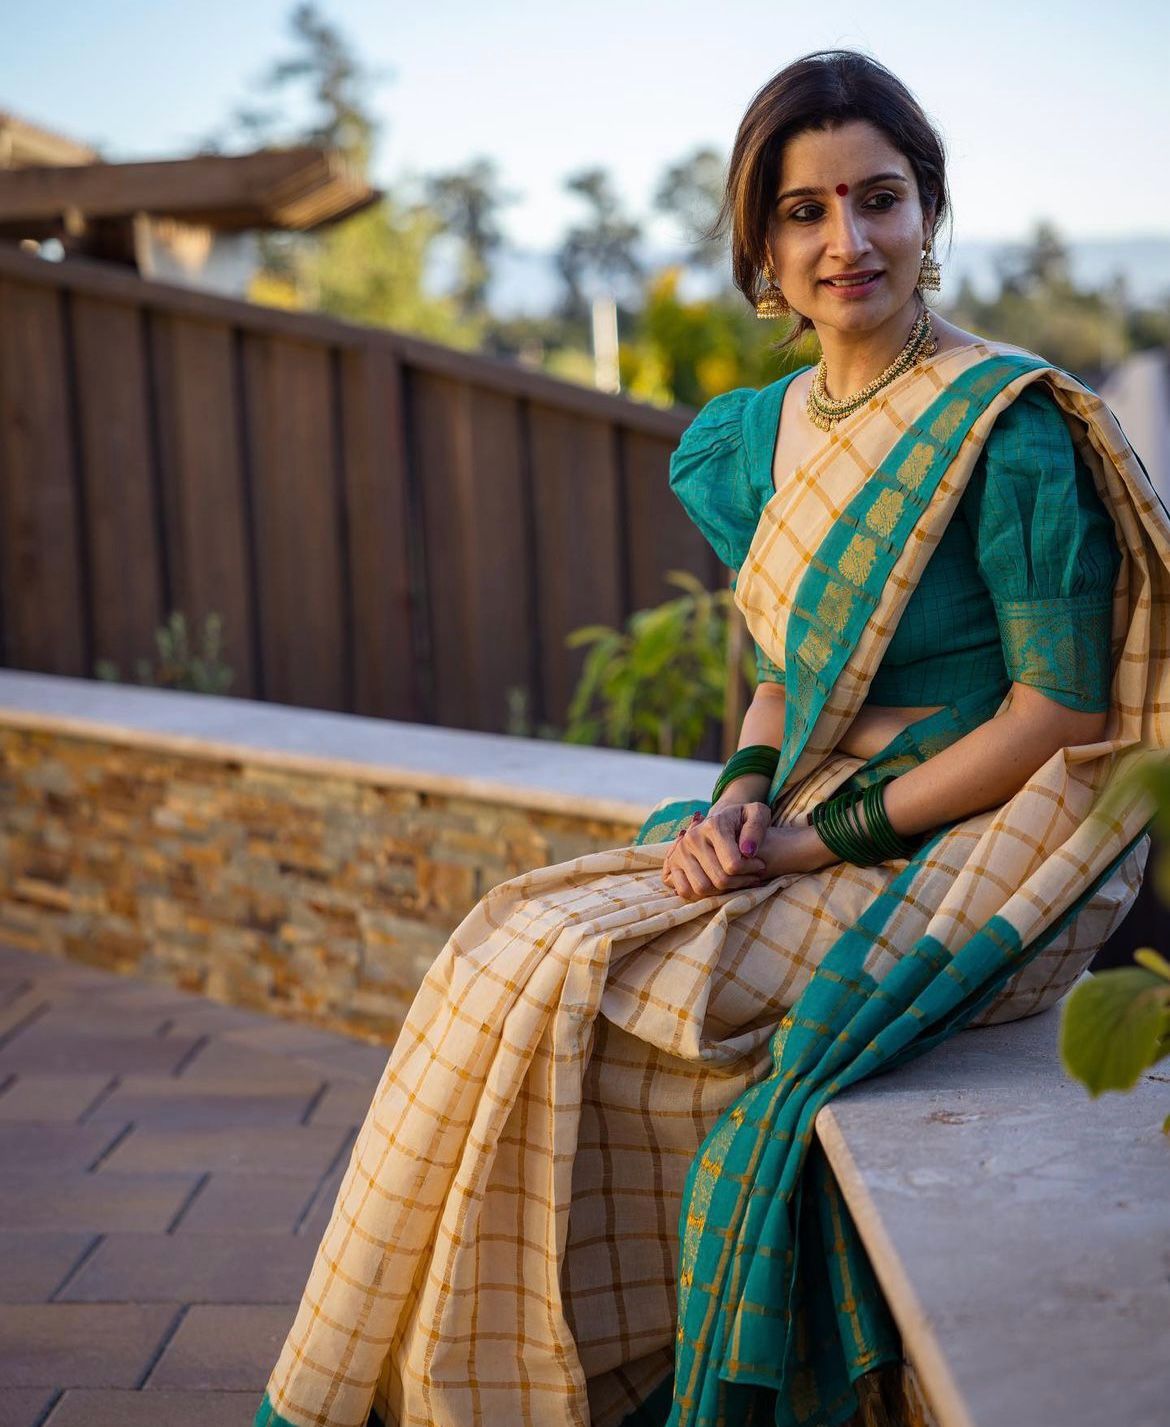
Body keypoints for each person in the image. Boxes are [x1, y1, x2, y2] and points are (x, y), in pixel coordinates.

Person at [255, 49, 1169, 1427]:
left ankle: (590, 1376)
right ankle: (421, 1385)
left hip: (982, 834)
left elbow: (1059, 715)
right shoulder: (753, 438)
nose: (844, 241)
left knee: (614, 990)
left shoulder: (1006, 429)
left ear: (929, 212)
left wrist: (807, 839)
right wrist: (738, 801)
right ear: (760, 240)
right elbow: (780, 680)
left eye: (878, 199)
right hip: (811, 798)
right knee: (501, 952)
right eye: (802, 210)